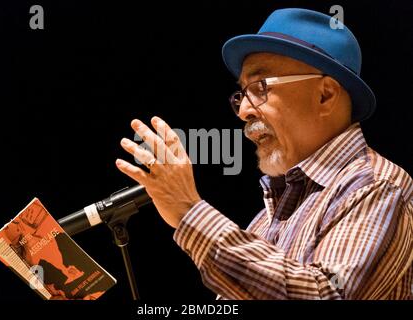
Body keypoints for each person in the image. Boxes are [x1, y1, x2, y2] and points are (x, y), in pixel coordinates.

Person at [115, 8, 412, 299]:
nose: (243, 110)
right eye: (241, 94)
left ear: (325, 95)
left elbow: (326, 294)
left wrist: (189, 211)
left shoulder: (376, 186)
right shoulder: (273, 210)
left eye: (260, 87)